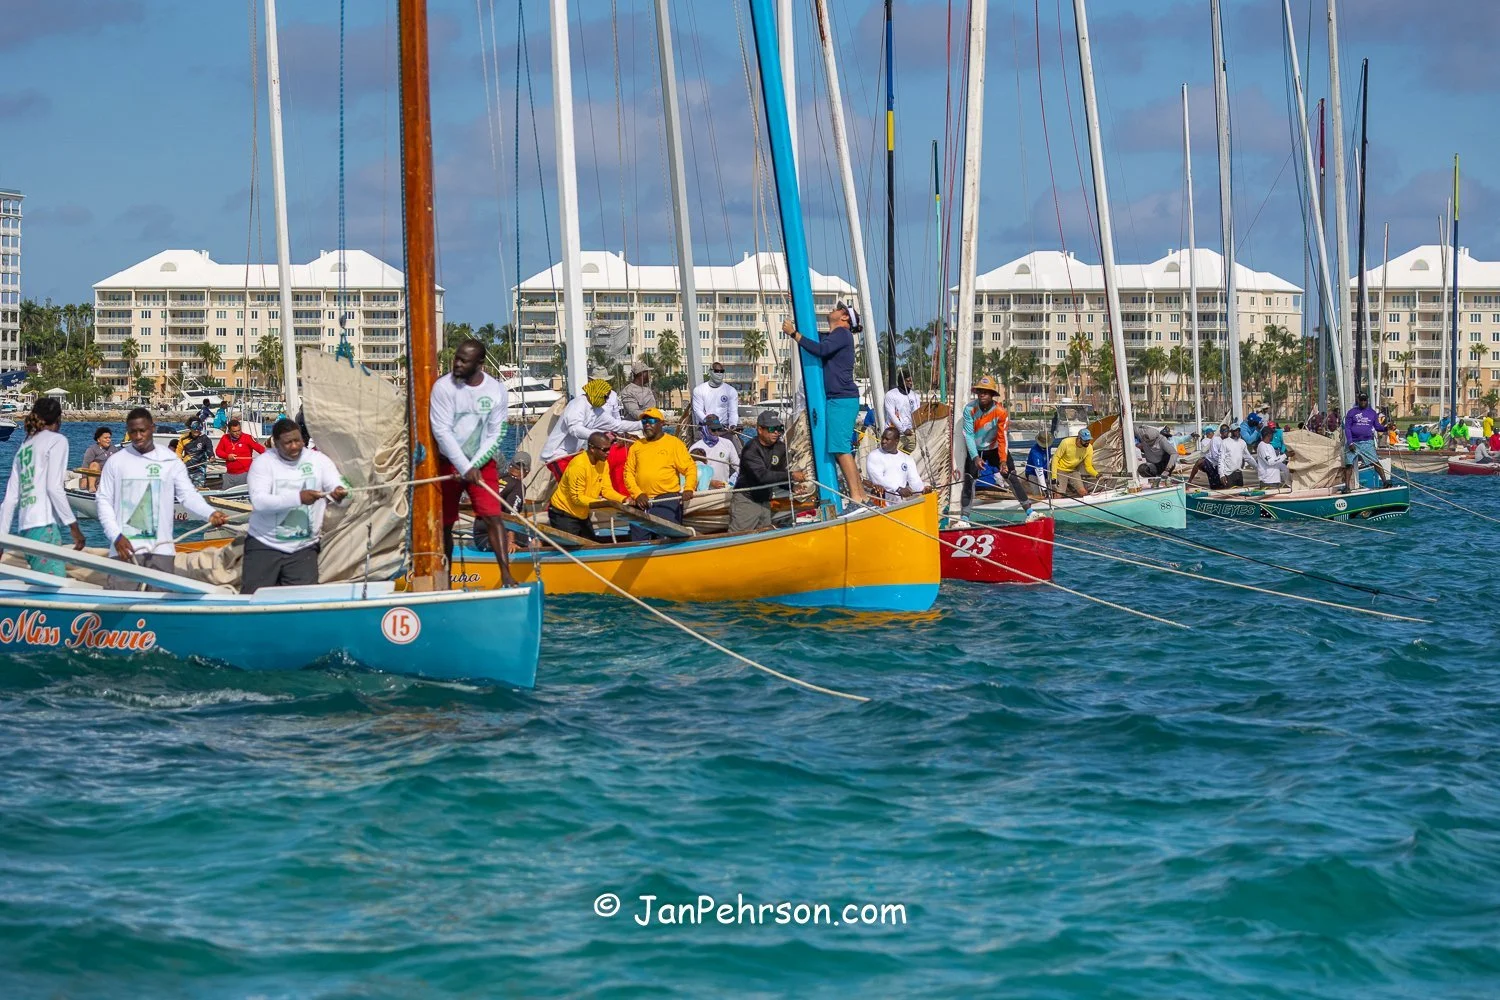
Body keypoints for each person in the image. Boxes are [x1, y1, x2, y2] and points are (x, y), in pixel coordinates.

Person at [96, 408, 230, 581]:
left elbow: (187, 496)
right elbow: (103, 500)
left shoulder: (170, 460)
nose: (137, 436)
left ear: (152, 428)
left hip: (161, 552)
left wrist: (209, 513)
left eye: (142, 431)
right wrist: (115, 535)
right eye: (132, 432)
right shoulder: (116, 462)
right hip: (124, 550)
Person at [429, 337, 516, 586]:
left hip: (481, 462)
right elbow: (441, 431)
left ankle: (506, 576)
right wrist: (464, 466)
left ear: (479, 363)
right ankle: (443, 579)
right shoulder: (443, 387)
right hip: (448, 461)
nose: (456, 363)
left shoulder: (496, 389)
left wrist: (474, 464)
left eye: (463, 361)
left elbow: (495, 433)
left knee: (492, 516)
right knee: (445, 522)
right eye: (456, 358)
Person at [242, 417, 349, 593]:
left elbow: (341, 490)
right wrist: (298, 498)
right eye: (287, 443)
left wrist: (340, 494)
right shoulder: (263, 463)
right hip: (265, 544)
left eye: (297, 440)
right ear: (276, 444)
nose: (294, 446)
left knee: (303, 602)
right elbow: (259, 502)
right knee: (254, 600)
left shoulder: (318, 460)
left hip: (303, 548)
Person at [782, 302, 869, 505]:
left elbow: (821, 350)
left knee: (840, 449)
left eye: (839, 308)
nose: (833, 308)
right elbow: (819, 343)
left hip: (841, 398)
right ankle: (861, 495)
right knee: (841, 449)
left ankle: (856, 497)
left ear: (845, 318)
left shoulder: (841, 334)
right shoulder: (837, 336)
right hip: (840, 399)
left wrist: (794, 333)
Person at [0, 397, 87, 575]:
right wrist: (74, 527)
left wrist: (2, 542)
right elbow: (54, 488)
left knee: (39, 586)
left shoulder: (24, 447)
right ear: (58, 419)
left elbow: (9, 501)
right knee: (54, 592)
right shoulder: (56, 440)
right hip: (44, 527)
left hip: (25, 530)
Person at [959, 374, 1035, 517]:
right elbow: (968, 435)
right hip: (976, 449)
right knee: (969, 479)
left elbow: (1002, 438)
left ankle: (1029, 511)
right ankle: (964, 517)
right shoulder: (969, 409)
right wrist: (975, 457)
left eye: (986, 392)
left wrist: (1003, 461)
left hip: (994, 448)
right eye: (980, 392)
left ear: (992, 395)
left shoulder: (1000, 412)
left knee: (1010, 475)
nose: (982, 394)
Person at [540, 377, 642, 478]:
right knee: (570, 486)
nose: (606, 401)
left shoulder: (596, 410)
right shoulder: (578, 404)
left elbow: (616, 425)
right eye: (605, 397)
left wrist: (642, 424)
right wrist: (599, 437)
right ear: (596, 393)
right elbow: (574, 429)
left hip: (572, 454)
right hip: (557, 455)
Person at [622, 408, 696, 540]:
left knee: (666, 538)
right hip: (641, 501)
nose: (647, 424)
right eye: (644, 421)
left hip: (666, 499)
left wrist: (689, 488)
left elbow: (689, 468)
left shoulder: (674, 444)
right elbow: (628, 473)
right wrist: (637, 494)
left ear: (661, 423)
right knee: (638, 540)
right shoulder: (636, 446)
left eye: (651, 421)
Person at [731, 410, 806, 533]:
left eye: (779, 428)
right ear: (760, 430)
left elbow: (778, 475)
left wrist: (792, 486)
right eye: (772, 429)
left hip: (765, 500)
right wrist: (791, 475)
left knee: (764, 537)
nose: (776, 432)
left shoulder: (780, 448)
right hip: (746, 500)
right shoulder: (751, 449)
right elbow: (762, 476)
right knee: (737, 538)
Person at [548, 433, 627, 541]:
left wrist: (624, 499)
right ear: (592, 448)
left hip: (582, 514)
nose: (608, 453)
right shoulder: (579, 465)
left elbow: (606, 490)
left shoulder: (603, 463)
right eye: (604, 450)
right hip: (563, 513)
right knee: (571, 549)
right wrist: (601, 503)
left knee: (591, 542)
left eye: (609, 449)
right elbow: (577, 498)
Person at [1342, 390, 1392, 491]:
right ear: (1358, 400)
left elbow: (1377, 427)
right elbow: (1347, 428)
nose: (1363, 402)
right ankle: (1347, 487)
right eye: (1361, 400)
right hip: (1353, 442)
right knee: (1349, 465)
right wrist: (1350, 442)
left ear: (1367, 400)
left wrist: (1386, 428)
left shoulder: (1372, 413)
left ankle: (1385, 482)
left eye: (1365, 400)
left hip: (1367, 442)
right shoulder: (1352, 412)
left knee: (1375, 462)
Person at [865, 426, 927, 501]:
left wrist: (923, 489)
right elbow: (877, 480)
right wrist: (898, 489)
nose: (883, 441)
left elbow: (914, 481)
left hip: (899, 504)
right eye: (883, 438)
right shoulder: (874, 455)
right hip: (881, 504)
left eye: (887, 439)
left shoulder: (907, 459)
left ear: (896, 441)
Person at [214, 417, 265, 489]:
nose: (238, 433)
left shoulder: (247, 438)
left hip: (244, 473)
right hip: (229, 474)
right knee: (227, 495)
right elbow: (218, 451)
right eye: (234, 431)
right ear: (229, 431)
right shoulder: (225, 438)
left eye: (239, 430)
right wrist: (227, 456)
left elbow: (260, 449)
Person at [691, 361, 740, 430]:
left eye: (721, 371)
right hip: (705, 428)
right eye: (716, 371)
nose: (719, 373)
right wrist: (710, 423)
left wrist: (733, 424)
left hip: (724, 428)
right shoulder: (698, 390)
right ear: (710, 372)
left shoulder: (731, 391)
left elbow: (733, 412)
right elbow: (698, 411)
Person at [1051, 429, 1098, 498]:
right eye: (1085, 440)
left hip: (1073, 470)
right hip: (1060, 469)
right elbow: (1055, 458)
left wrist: (1097, 475)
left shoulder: (1089, 448)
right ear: (1079, 438)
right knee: (1059, 494)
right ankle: (1055, 506)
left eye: (1089, 440)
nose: (1087, 442)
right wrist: (1054, 477)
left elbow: (1088, 466)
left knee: (1083, 492)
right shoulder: (1066, 443)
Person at [695, 415, 739, 486]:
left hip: (724, 489)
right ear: (705, 429)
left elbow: (737, 464)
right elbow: (693, 474)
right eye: (713, 430)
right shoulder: (696, 447)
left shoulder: (728, 444)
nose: (716, 433)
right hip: (703, 491)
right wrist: (711, 482)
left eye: (718, 429)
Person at [884, 371, 919, 446]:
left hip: (910, 433)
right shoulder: (891, 394)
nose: (911, 383)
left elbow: (916, 413)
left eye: (911, 380)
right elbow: (891, 415)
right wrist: (903, 429)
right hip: (894, 433)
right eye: (908, 381)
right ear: (902, 381)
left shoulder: (915, 396)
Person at [80, 426, 119, 491]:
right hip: (97, 477)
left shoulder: (114, 449)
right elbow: (85, 465)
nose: (108, 440)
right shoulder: (92, 449)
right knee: (94, 464)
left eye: (109, 438)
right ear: (98, 440)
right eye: (105, 438)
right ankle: (92, 487)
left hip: (110, 476)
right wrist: (84, 479)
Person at [175, 419, 213, 488]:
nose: (196, 430)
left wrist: (211, 457)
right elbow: (178, 452)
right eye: (194, 428)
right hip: (186, 469)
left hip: (199, 470)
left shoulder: (205, 439)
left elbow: (209, 450)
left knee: (198, 490)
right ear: (190, 428)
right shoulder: (183, 438)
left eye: (199, 428)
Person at [1192, 424, 1228, 489]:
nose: (1213, 434)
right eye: (1212, 433)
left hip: (1217, 461)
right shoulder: (1205, 440)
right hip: (1209, 460)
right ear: (1208, 434)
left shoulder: (1220, 440)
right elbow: (1205, 450)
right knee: (1198, 463)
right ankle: (1190, 480)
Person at [1217, 424, 1250, 488]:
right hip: (1228, 474)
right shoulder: (1225, 442)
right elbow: (1221, 459)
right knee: (1229, 494)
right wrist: (1221, 474)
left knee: (1240, 495)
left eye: (1239, 430)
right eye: (1235, 430)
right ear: (1231, 431)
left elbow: (1248, 457)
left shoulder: (1242, 442)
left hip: (1239, 473)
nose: (1237, 432)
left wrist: (1257, 468)